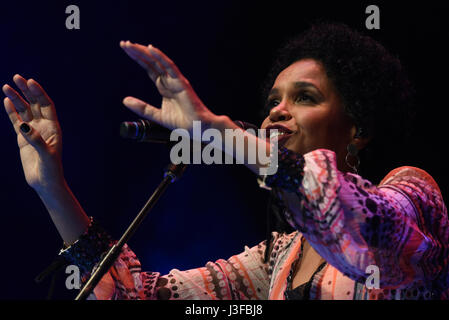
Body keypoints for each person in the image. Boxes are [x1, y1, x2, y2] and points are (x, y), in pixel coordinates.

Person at [3, 22, 448, 300]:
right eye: (274, 100)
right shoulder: (278, 257)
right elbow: (140, 295)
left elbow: (361, 221)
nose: (277, 110)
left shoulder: (414, 195)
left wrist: (222, 133)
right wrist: (51, 186)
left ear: (359, 127)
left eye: (305, 98)